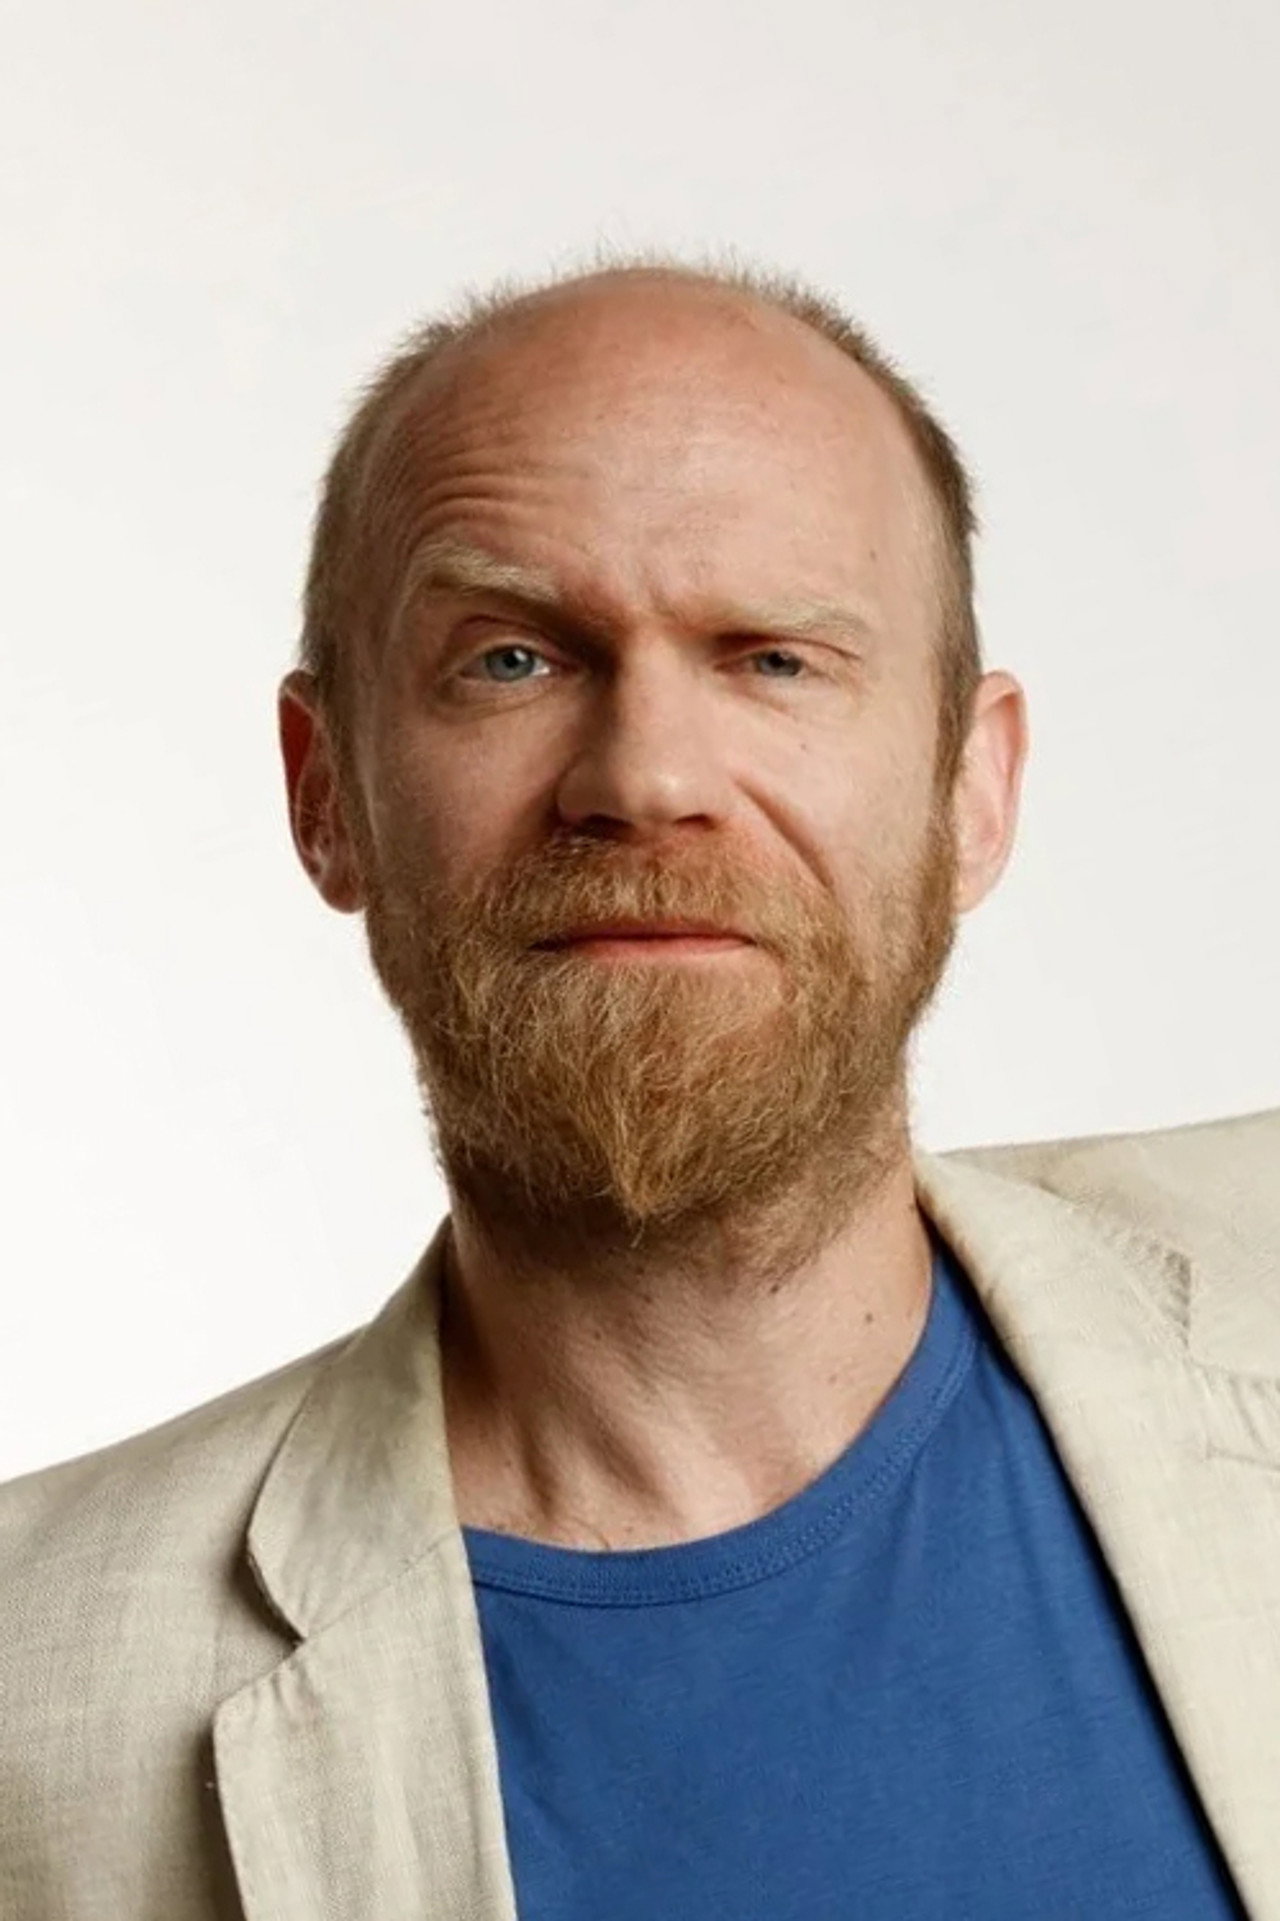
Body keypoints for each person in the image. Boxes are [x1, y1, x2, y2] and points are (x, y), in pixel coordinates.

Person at [0, 249, 1273, 1921]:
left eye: (776, 658)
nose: (648, 778)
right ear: (327, 793)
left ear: (975, 788)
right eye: (512, 660)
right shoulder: (36, 1689)